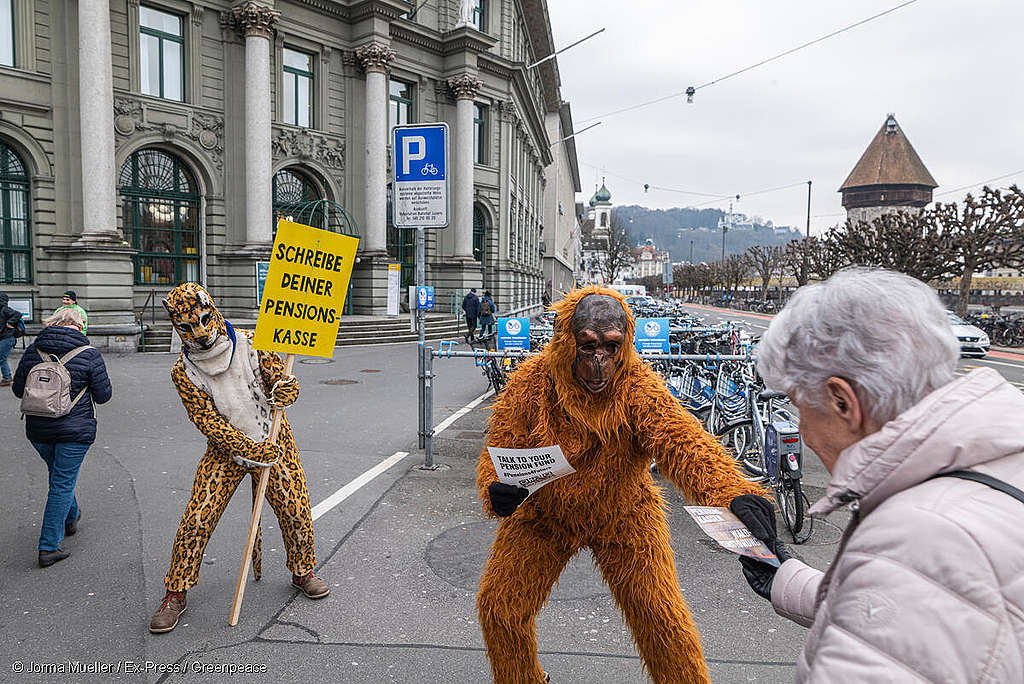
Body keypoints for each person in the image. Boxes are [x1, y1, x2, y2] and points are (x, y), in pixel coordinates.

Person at [730, 268, 1024, 682]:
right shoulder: (998, 456)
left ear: (842, 400)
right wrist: (785, 576)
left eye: (801, 408)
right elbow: (936, 613)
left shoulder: (917, 535)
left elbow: (910, 589)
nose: (805, 432)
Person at [476, 286, 765, 684]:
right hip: (544, 515)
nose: (598, 364)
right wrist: (497, 488)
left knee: (663, 621)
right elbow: (501, 444)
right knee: (499, 609)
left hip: (625, 514)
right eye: (587, 346)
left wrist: (735, 494)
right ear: (565, 343)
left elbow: (683, 443)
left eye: (611, 348)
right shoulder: (532, 384)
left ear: (625, 345)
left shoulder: (637, 387)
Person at [150, 283, 328, 634]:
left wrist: (285, 388)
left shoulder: (252, 343)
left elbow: (278, 378)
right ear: (176, 327)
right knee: (198, 517)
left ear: (213, 311)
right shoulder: (183, 372)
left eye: (202, 320)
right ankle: (176, 591)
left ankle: (302, 569)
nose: (199, 333)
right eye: (186, 327)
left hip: (274, 437)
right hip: (226, 451)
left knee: (295, 509)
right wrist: (246, 449)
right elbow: (207, 421)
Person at [12, 306, 112, 567]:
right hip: (74, 430)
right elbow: (103, 396)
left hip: (38, 429)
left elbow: (17, 389)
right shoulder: (89, 354)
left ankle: (71, 517)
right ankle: (48, 547)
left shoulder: (34, 350)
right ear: (80, 326)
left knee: (59, 477)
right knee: (62, 484)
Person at [0, 291, 23, 386]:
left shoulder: (5, 309)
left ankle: (7, 377)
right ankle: (7, 377)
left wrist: (10, 322)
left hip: (8, 338)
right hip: (4, 337)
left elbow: (18, 314)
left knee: (1, 358)